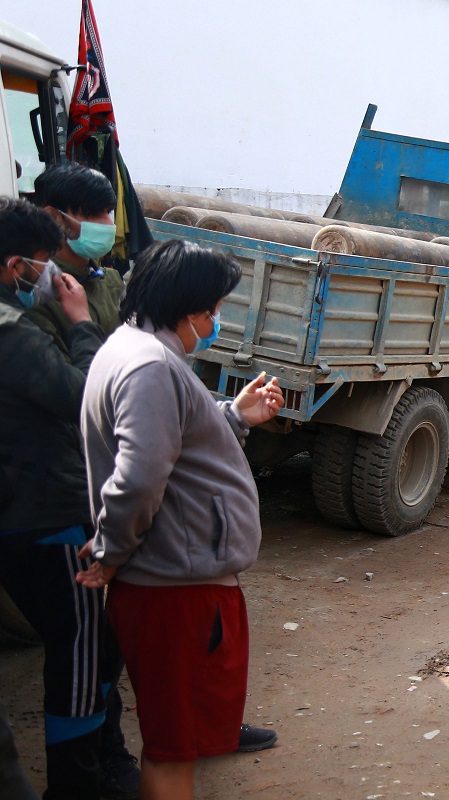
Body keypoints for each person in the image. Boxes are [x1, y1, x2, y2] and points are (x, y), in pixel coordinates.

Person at [75, 239, 284, 800]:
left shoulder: (138, 352)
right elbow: (139, 476)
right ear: (191, 309)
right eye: (214, 308)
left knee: (176, 742)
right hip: (175, 593)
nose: (216, 319)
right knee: (173, 750)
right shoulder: (149, 365)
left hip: (176, 585)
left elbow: (174, 439)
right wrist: (110, 552)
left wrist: (234, 417)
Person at [0, 198, 113, 800]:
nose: (49, 277)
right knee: (78, 660)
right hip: (48, 518)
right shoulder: (15, 338)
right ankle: (76, 787)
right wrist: (80, 324)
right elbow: (84, 395)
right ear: (15, 264)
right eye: (41, 265)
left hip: (19, 512)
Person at [29, 163, 126, 351]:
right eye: (93, 214)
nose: (108, 224)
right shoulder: (37, 292)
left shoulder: (111, 282)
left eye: (108, 212)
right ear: (54, 217)